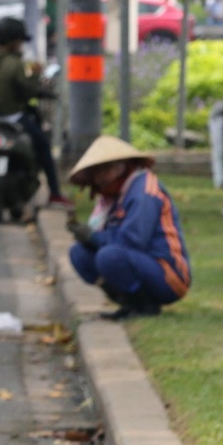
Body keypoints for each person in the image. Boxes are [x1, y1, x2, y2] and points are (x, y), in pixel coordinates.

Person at [64, 137, 192, 321]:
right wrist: (86, 237)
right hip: (139, 262)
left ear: (122, 165)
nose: (100, 177)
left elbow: (133, 240)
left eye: (105, 169)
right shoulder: (114, 194)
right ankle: (129, 302)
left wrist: (93, 237)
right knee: (79, 254)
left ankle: (144, 306)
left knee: (109, 257)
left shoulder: (144, 192)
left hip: (167, 275)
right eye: (96, 171)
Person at [0, 17, 70, 209]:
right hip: (11, 117)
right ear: (13, 41)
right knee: (43, 146)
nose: (20, 45)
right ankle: (54, 194)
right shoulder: (14, 63)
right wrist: (36, 74)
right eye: (19, 40)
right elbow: (27, 90)